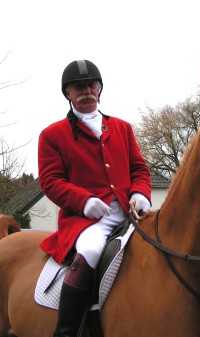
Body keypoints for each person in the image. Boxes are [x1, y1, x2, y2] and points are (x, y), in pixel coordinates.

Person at [38, 59, 152, 337]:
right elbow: (50, 181)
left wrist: (140, 192)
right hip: (87, 221)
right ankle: (66, 330)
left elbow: (139, 168)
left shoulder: (122, 128)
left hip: (131, 213)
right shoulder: (52, 135)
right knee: (89, 252)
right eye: (79, 87)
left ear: (100, 89)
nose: (86, 91)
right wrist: (84, 201)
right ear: (68, 93)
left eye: (91, 85)